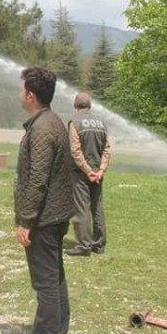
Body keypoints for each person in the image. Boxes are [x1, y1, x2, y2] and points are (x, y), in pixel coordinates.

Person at [15, 67, 74, 334]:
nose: (19, 94)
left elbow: (38, 179)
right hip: (55, 214)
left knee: (46, 281)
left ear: (30, 95)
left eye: (21, 89)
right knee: (55, 276)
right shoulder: (51, 121)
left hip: (44, 219)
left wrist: (26, 221)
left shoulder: (41, 128)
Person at [65, 92, 111, 256]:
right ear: (90, 106)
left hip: (82, 173)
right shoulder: (101, 123)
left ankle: (84, 245)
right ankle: (99, 244)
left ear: (75, 106)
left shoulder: (75, 123)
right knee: (97, 207)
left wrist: (88, 171)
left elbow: (75, 151)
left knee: (81, 208)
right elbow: (107, 149)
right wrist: (100, 170)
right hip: (98, 173)